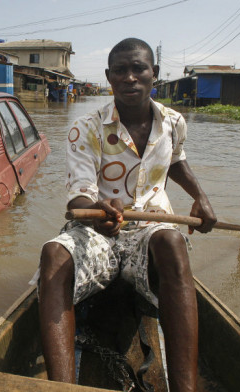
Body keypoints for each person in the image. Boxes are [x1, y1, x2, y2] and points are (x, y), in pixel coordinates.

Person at [34, 38, 217, 392]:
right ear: (109, 77)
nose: (130, 77)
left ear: (155, 75)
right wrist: (95, 213)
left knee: (173, 244)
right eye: (120, 71)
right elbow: (79, 196)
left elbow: (175, 159)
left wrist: (200, 197)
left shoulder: (174, 122)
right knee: (53, 255)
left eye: (138, 69)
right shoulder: (86, 127)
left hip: (150, 232)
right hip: (99, 232)